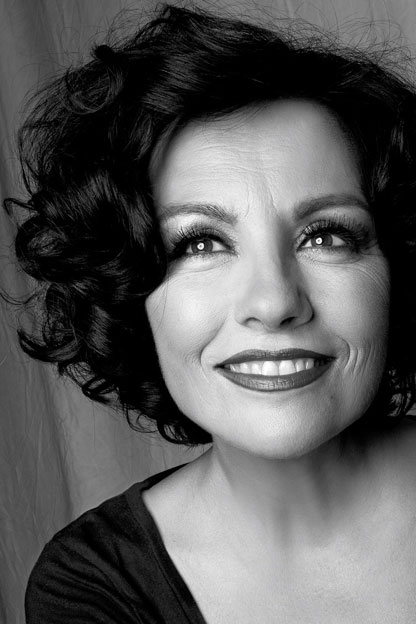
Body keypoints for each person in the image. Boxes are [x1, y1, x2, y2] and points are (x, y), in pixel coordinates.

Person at [8, 3, 416, 622]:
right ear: (129, 293)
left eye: (326, 235)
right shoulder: (94, 586)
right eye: (199, 244)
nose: (274, 303)